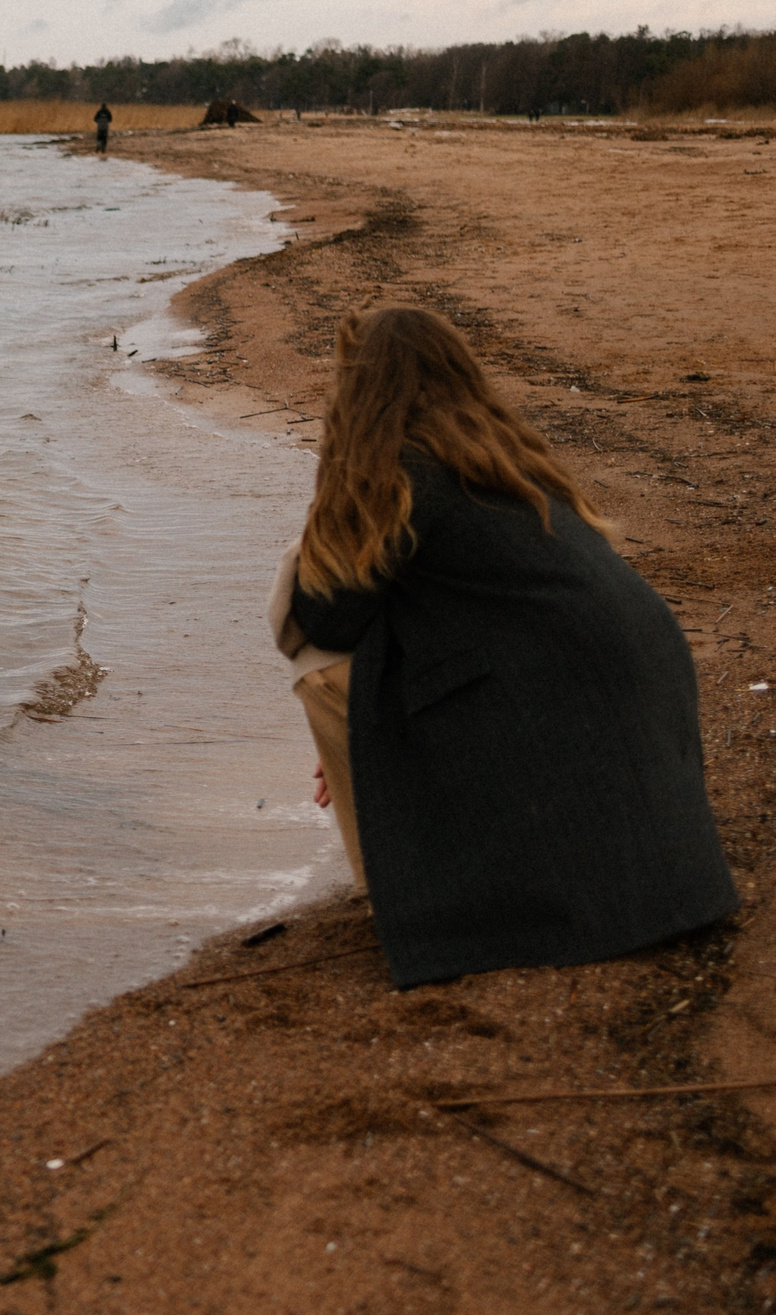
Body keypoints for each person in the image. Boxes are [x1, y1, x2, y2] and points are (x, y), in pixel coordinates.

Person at [269, 305, 734, 988]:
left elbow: (322, 621)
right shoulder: (508, 460)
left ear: (360, 392)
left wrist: (327, 505)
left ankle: (398, 883)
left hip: (559, 704)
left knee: (321, 672)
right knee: (378, 653)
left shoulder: (402, 476)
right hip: (668, 825)